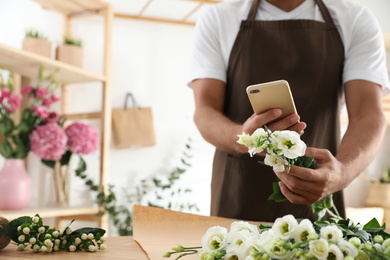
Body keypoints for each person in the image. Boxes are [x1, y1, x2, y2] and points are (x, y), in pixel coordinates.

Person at [187, 0, 390, 222]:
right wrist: (243, 138)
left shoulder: (356, 19)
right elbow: (204, 111)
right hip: (237, 193)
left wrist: (342, 173)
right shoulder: (218, 18)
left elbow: (368, 114)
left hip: (318, 193)